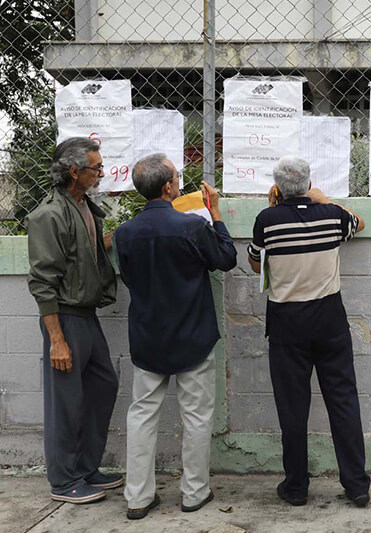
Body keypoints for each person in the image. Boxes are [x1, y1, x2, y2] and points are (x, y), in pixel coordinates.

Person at [114, 154, 237, 520]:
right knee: (196, 416)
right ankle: (194, 492)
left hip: (148, 336)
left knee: (141, 415)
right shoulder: (190, 227)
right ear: (168, 186)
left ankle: (137, 496)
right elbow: (226, 259)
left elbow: (130, 278)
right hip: (192, 336)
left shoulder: (124, 233)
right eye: (176, 178)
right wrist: (215, 213)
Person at [247, 156, 370, 507]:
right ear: (308, 183)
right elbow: (359, 223)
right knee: (343, 400)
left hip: (287, 324)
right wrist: (323, 199)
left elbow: (255, 261)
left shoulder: (266, 220)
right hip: (330, 320)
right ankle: (357, 484)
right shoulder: (331, 216)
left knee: (292, 407)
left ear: (276, 188)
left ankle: (297, 486)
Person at [27, 137, 121, 504]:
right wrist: (57, 339)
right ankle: (64, 481)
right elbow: (42, 281)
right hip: (64, 318)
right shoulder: (49, 215)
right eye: (95, 168)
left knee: (103, 386)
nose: (100, 173)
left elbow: (92, 250)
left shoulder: (83, 207)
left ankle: (85, 468)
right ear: (73, 171)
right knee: (65, 402)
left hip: (87, 315)